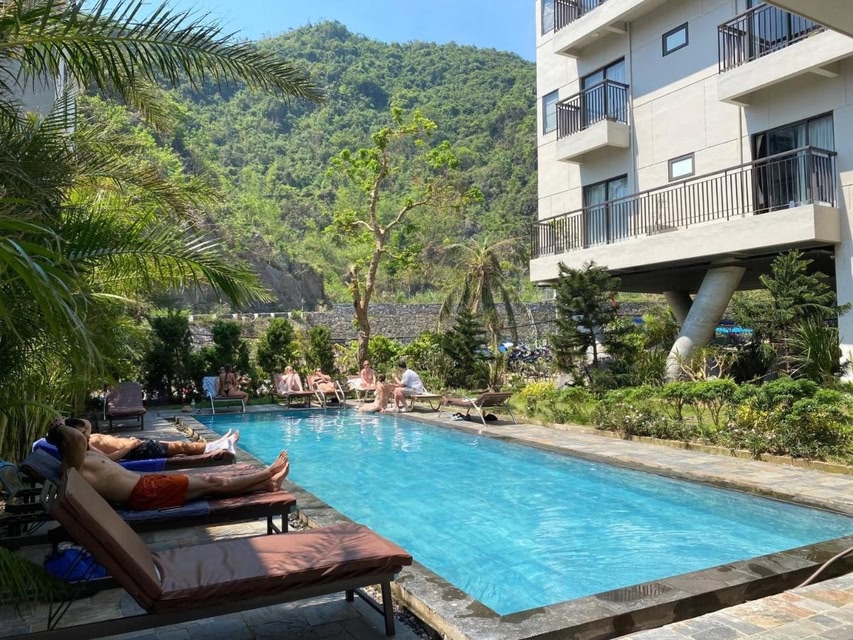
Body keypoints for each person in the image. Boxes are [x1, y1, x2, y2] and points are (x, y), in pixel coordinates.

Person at [46, 422, 289, 511]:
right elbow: (76, 438)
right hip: (145, 493)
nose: (86, 437)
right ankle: (267, 473)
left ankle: (267, 485)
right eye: (81, 435)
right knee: (212, 483)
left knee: (207, 485)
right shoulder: (73, 467)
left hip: (146, 484)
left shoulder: (86, 455)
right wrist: (58, 428)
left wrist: (63, 427)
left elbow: (81, 437)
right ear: (67, 443)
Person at [64, 417, 238, 461]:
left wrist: (62, 424)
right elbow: (109, 459)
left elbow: (86, 423)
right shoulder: (86, 446)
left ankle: (216, 444)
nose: (86, 432)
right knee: (180, 446)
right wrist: (130, 446)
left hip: (136, 444)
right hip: (137, 449)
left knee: (177, 445)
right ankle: (221, 445)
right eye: (82, 432)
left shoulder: (85, 439)